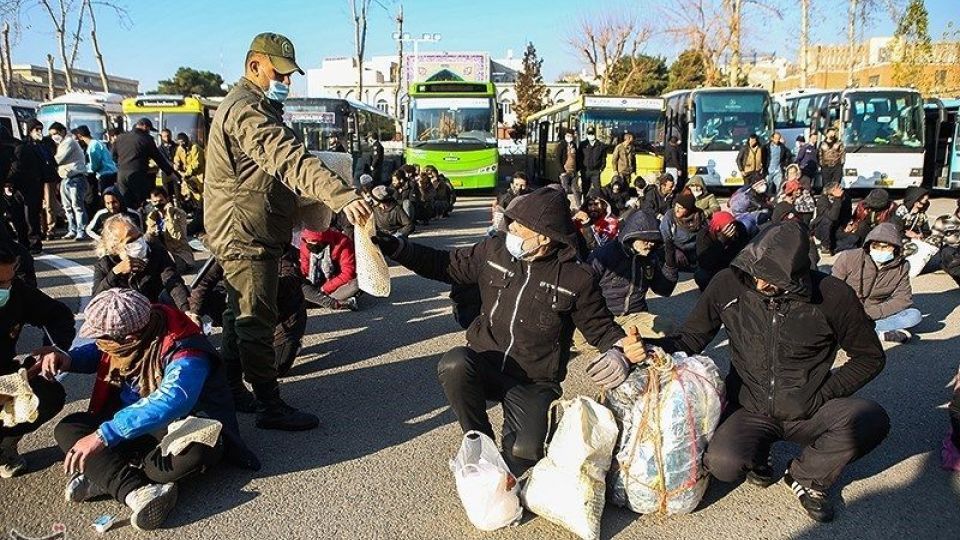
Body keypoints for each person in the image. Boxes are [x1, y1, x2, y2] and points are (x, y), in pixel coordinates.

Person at [371, 187, 645, 473]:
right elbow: (445, 264)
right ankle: (477, 438)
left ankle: (513, 454)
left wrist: (620, 350)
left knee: (523, 456)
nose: (510, 228)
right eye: (511, 221)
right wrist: (397, 248)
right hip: (484, 363)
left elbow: (599, 328)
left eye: (520, 225)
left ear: (544, 235)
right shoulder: (494, 251)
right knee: (454, 363)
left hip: (533, 380)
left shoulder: (577, 278)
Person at [655, 222, 889, 523]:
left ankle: (805, 476)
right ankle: (758, 452)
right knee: (723, 464)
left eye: (775, 279)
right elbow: (690, 339)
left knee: (871, 420)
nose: (762, 284)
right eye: (757, 274)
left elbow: (869, 357)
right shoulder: (729, 283)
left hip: (809, 407)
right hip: (750, 405)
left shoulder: (831, 295)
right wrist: (647, 347)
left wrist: (824, 393)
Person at [204, 33, 371, 431]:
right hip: (245, 230)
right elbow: (289, 159)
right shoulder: (247, 111)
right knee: (256, 320)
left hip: (248, 226)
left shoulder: (256, 106)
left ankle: (231, 388)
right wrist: (340, 195)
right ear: (254, 66)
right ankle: (270, 405)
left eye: (290, 74)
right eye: (279, 73)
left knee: (237, 315)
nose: (286, 81)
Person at [38, 289, 260, 531]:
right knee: (68, 429)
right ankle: (137, 490)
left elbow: (174, 400)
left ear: (130, 337)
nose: (100, 343)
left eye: (103, 338)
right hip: (130, 421)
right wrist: (66, 359)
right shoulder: (137, 329)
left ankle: (112, 475)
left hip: (179, 425)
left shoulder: (186, 351)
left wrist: (103, 435)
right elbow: (100, 353)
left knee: (194, 454)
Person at [0, 244, 74, 478]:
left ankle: (4, 446)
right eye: (0, 284)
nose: (6, 288)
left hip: (6, 374)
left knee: (48, 394)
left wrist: (54, 349)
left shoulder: (16, 291)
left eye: (9, 280)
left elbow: (58, 316)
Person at [189, 247, 308, 377]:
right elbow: (203, 282)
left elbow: (293, 280)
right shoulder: (229, 245)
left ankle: (290, 343)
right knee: (206, 297)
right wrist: (194, 314)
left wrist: (256, 279)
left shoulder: (278, 246)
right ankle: (240, 337)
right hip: (243, 309)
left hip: (281, 315)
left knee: (272, 371)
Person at [581, 210, 677, 350]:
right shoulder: (604, 254)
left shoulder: (651, 257)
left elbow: (664, 290)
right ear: (631, 236)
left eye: (653, 241)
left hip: (634, 316)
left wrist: (670, 261)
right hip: (604, 317)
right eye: (645, 240)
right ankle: (622, 340)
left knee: (667, 329)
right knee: (580, 338)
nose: (650, 244)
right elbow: (584, 288)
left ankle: (620, 340)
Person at [832, 223, 921, 344]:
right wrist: (849, 312)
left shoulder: (902, 266)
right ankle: (874, 332)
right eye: (876, 246)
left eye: (886, 247)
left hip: (874, 312)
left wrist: (869, 314)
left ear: (895, 248)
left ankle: (861, 331)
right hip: (847, 310)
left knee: (913, 316)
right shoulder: (848, 257)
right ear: (869, 245)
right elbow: (833, 291)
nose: (880, 250)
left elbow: (903, 299)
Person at [91, 214, 191, 313]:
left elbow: (173, 280)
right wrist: (115, 273)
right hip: (125, 316)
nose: (138, 243)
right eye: (131, 241)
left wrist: (186, 310)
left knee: (170, 295)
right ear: (115, 247)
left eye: (139, 237)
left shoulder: (156, 251)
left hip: (154, 310)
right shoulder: (104, 264)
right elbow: (96, 301)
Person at [112, 118, 179, 210]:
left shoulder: (120, 138)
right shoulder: (147, 139)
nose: (149, 132)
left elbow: (113, 156)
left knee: (125, 204)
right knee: (140, 204)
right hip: (138, 175)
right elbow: (158, 158)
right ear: (144, 127)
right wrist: (170, 172)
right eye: (149, 129)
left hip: (121, 175)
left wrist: (123, 164)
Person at [0, 126, 44, 254]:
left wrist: (6, 181)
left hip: (30, 186)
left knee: (30, 216)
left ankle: (34, 243)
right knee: (17, 216)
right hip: (16, 188)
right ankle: (23, 243)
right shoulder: (10, 148)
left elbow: (16, 168)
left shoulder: (19, 148)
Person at [299, 227, 359, 310]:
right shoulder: (304, 245)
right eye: (308, 242)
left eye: (315, 242)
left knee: (355, 284)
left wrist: (325, 288)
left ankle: (315, 300)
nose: (311, 245)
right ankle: (335, 302)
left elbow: (348, 272)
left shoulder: (342, 242)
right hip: (313, 284)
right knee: (297, 285)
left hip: (334, 284)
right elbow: (304, 269)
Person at [48, 122, 89, 241]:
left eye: (56, 133)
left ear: (62, 131)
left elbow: (58, 159)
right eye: (51, 135)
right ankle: (72, 229)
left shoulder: (69, 142)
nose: (54, 136)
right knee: (67, 207)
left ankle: (81, 230)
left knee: (77, 206)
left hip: (76, 177)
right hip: (65, 178)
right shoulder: (60, 144)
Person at [695, 210, 750, 290]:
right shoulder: (704, 236)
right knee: (701, 276)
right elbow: (704, 263)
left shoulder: (739, 228)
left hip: (734, 265)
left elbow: (745, 251)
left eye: (733, 226)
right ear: (717, 230)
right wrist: (721, 241)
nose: (732, 230)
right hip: (715, 268)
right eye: (728, 229)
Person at [145, 187, 194, 273]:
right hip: (162, 252)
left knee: (172, 270)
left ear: (167, 199)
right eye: (155, 202)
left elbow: (177, 236)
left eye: (161, 201)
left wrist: (170, 216)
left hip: (179, 253)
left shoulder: (179, 214)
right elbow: (149, 237)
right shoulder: (153, 216)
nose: (158, 204)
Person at [660, 190, 705, 280]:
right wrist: (675, 250)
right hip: (674, 250)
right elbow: (664, 237)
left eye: (681, 208)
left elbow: (704, 237)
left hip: (693, 251)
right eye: (676, 206)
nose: (677, 210)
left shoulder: (699, 216)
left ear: (688, 209)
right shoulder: (670, 216)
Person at [835, 188, 897, 252]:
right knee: (861, 226)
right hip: (866, 228)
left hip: (881, 229)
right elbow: (856, 218)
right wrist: (851, 225)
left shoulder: (892, 207)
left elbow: (893, 224)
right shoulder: (862, 205)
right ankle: (861, 247)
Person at [73, 125, 118, 194]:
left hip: (105, 174)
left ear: (79, 136)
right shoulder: (96, 142)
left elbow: (95, 165)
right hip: (110, 173)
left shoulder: (93, 146)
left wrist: (84, 170)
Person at [811, 181, 851, 255]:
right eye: (837, 188)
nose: (840, 189)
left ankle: (835, 246)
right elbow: (833, 216)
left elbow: (847, 214)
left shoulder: (846, 198)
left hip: (837, 228)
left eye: (840, 187)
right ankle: (825, 246)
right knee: (827, 220)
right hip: (822, 230)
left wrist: (848, 224)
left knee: (854, 238)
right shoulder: (822, 201)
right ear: (830, 191)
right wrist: (837, 199)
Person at [172, 132, 205, 205]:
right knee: (186, 193)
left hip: (198, 174)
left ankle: (200, 208)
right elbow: (177, 158)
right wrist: (176, 164)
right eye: (179, 142)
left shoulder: (195, 147)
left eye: (183, 142)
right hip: (187, 175)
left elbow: (196, 164)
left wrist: (186, 174)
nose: (181, 144)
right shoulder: (180, 148)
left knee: (198, 193)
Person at [578, 126, 606, 198]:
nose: (591, 135)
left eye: (592, 133)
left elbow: (603, 158)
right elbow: (579, 157)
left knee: (598, 190)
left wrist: (601, 168)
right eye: (589, 134)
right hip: (585, 171)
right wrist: (580, 169)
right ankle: (585, 204)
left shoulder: (601, 145)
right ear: (587, 134)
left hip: (596, 171)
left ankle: (599, 205)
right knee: (585, 190)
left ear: (595, 134)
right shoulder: (583, 144)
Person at [157, 129, 178, 196]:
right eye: (165, 136)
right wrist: (172, 164)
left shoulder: (176, 146)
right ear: (162, 137)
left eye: (168, 136)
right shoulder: (160, 149)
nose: (167, 138)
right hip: (166, 172)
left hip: (176, 172)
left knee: (177, 191)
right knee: (166, 192)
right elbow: (164, 159)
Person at [557, 129, 578, 194]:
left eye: (571, 136)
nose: (570, 137)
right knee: (565, 190)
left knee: (575, 190)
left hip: (573, 171)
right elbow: (558, 159)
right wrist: (562, 172)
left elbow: (576, 157)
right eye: (568, 135)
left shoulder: (574, 145)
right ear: (565, 136)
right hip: (565, 171)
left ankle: (579, 204)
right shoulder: (561, 145)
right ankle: (563, 203)